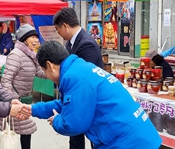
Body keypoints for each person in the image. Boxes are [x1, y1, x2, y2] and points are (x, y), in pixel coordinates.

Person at [21, 40, 162, 149]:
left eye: (44, 71)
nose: (46, 75)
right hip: (138, 136)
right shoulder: (80, 68)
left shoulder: (74, 77)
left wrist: (57, 121)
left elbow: (74, 125)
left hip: (127, 142)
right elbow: (67, 104)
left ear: (50, 65)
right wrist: (31, 109)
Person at [0, 24, 44, 149]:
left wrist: (57, 72)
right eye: (32, 37)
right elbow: (6, 80)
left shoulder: (31, 54)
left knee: (25, 130)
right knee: (26, 129)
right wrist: (13, 100)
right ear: (24, 39)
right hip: (15, 101)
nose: (35, 41)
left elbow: (40, 72)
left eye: (36, 37)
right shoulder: (16, 55)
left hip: (21, 101)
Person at [53, 7, 103, 149]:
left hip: (89, 98)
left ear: (65, 26)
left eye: (57, 28)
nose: (58, 32)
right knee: (75, 138)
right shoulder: (70, 43)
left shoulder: (87, 44)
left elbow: (86, 79)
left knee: (95, 137)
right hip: (75, 98)